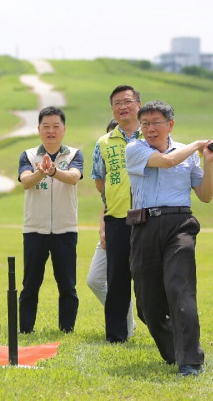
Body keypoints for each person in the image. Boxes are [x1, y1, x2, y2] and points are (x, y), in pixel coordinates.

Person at [125, 100, 213, 377]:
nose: (150, 129)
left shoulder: (189, 155)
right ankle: (174, 351)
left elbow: (205, 195)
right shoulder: (135, 148)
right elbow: (166, 162)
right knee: (147, 305)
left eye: (156, 122)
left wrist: (208, 163)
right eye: (145, 124)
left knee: (180, 290)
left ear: (170, 125)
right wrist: (197, 145)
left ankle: (190, 360)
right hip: (144, 226)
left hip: (180, 224)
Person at [17, 106, 84, 334]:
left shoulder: (74, 155)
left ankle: (67, 329)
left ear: (64, 129)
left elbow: (74, 178)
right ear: (38, 129)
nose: (51, 131)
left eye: (56, 126)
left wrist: (54, 171)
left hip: (65, 230)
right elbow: (26, 181)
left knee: (67, 284)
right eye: (46, 126)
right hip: (35, 229)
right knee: (30, 285)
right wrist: (41, 172)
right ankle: (26, 329)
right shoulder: (28, 155)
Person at [87, 112, 137, 341]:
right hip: (113, 221)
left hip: (139, 221)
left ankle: (126, 325)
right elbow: (105, 195)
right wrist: (102, 226)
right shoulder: (105, 148)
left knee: (134, 280)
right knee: (97, 279)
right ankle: (125, 321)